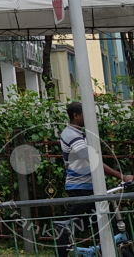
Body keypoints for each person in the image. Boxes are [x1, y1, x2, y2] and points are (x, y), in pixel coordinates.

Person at [56, 102, 133, 256]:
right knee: (70, 225)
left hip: (90, 187)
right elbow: (93, 161)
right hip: (80, 188)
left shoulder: (79, 134)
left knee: (108, 224)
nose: (91, 117)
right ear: (76, 116)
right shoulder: (71, 135)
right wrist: (121, 176)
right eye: (86, 114)